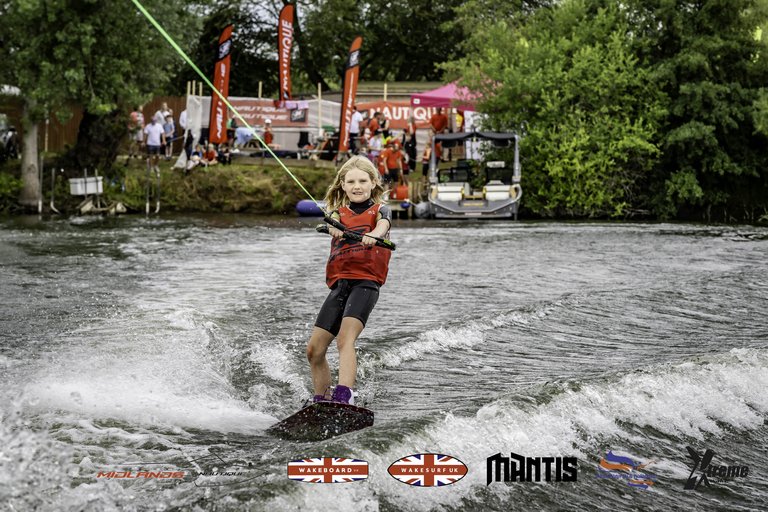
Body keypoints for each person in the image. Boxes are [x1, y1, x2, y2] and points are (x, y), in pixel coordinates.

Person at [306, 156, 392, 405]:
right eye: (351, 181)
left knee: (345, 339)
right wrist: (334, 227)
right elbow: (333, 220)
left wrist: (373, 236)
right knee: (314, 351)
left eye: (363, 180)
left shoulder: (380, 210)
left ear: (373, 182)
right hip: (340, 285)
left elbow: (383, 226)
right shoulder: (337, 213)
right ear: (342, 185)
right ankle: (322, 400)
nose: (357, 186)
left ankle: (345, 396)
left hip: (365, 284)